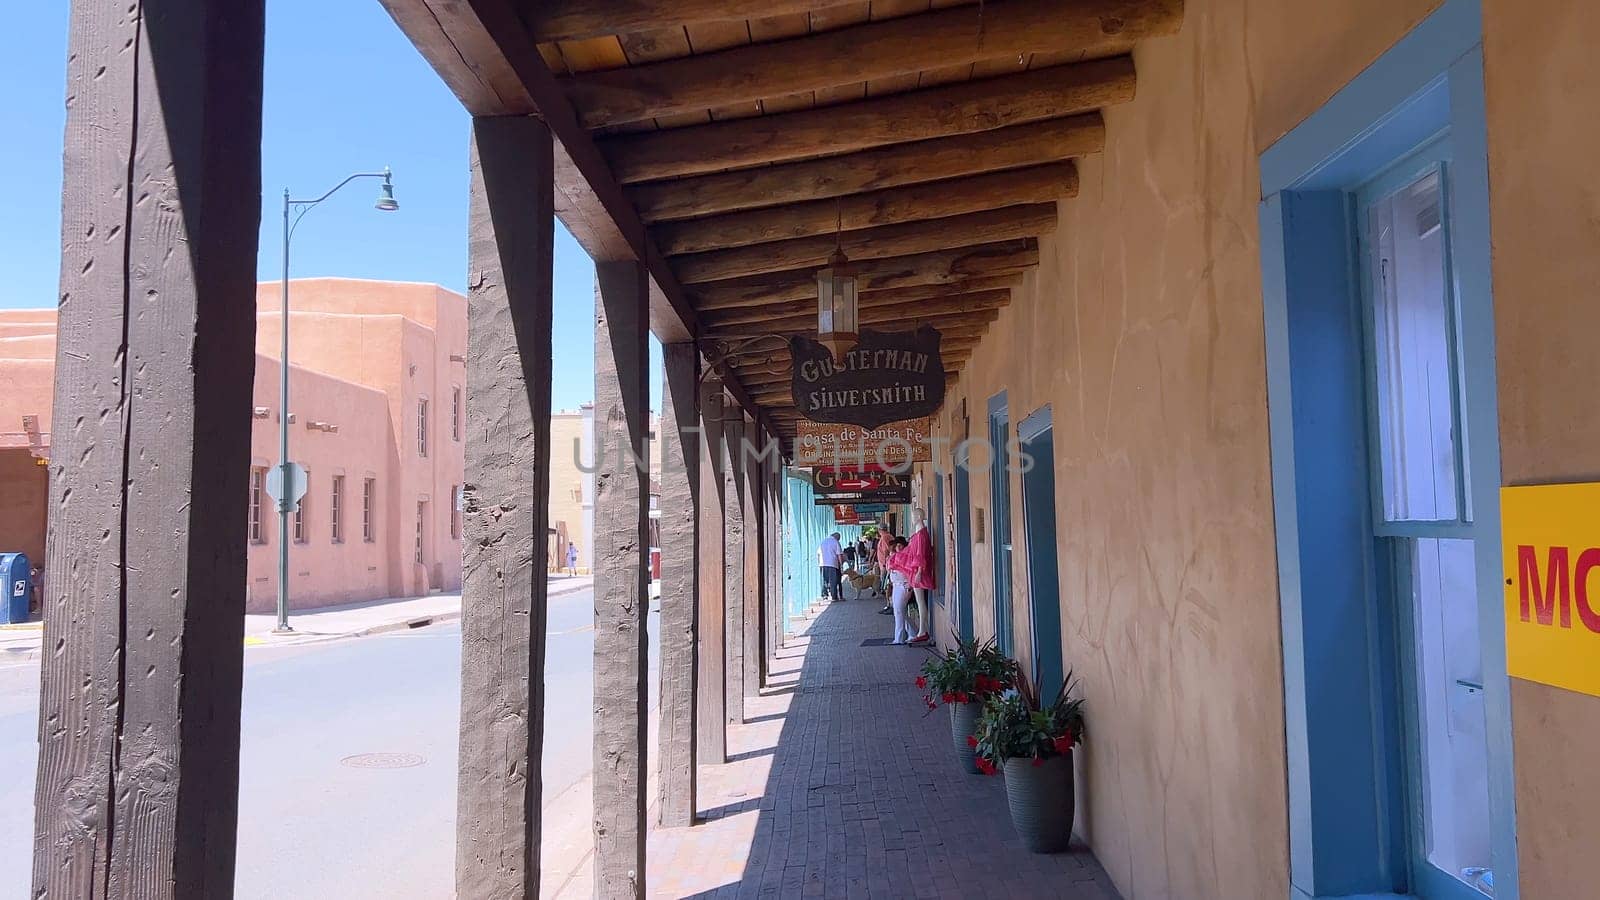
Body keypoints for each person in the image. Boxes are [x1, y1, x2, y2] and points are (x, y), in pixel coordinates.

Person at [886, 537, 916, 644]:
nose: (898, 547)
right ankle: (913, 633)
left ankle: (899, 638)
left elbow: (910, 572)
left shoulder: (907, 557)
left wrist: (909, 586)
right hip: (896, 586)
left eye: (900, 545)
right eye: (896, 545)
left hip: (904, 585)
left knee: (899, 611)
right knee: (899, 611)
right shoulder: (894, 557)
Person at [818, 531, 843, 601]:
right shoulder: (836, 542)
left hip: (823, 563)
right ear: (837, 538)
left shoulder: (823, 541)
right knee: (833, 581)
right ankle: (834, 596)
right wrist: (841, 565)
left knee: (824, 580)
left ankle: (824, 595)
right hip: (833, 564)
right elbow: (839, 555)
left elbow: (818, 553)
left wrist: (819, 562)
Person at [876, 529, 896, 613]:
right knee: (888, 586)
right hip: (887, 564)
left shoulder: (884, 537)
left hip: (886, 565)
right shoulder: (890, 536)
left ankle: (889, 605)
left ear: (880, 530)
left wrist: (884, 563)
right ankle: (889, 604)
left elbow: (885, 551)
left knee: (887, 586)